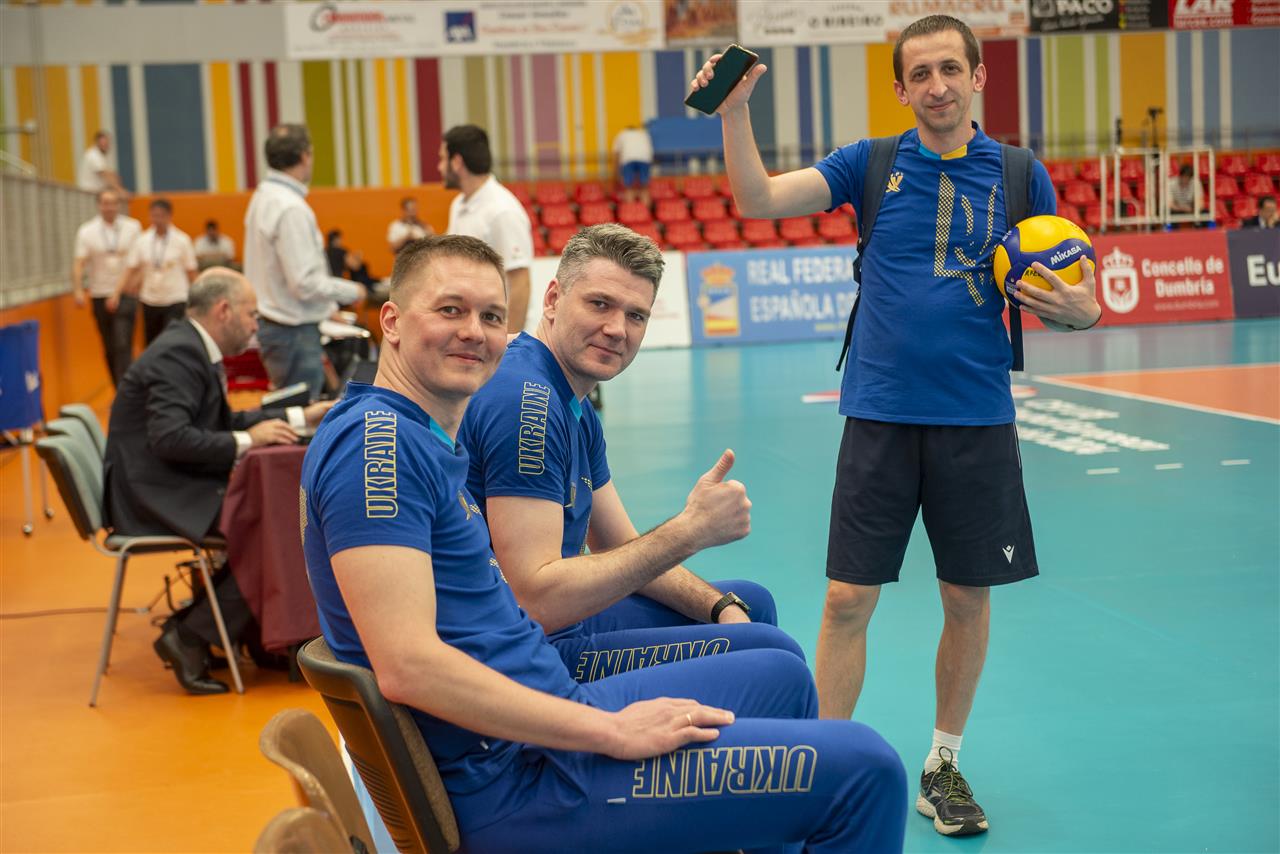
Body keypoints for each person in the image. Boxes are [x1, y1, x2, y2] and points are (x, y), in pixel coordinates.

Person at [301, 234, 907, 853]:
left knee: (781, 675)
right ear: (392, 322)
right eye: (450, 310)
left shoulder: (421, 437)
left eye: (491, 317)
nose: (475, 333)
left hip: (534, 729)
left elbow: (590, 560)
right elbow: (410, 664)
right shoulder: (379, 447)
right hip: (518, 776)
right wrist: (608, 729)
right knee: (867, 772)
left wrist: (713, 604)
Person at [690, 13, 1102, 837]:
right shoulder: (871, 163)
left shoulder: (1022, 175)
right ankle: (820, 772)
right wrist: (734, 112)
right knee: (847, 598)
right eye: (921, 74)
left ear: (978, 76)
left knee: (967, 599)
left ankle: (942, 766)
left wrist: (1081, 312)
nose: (937, 86)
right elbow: (758, 198)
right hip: (878, 416)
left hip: (976, 420)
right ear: (901, 89)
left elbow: (1079, 297)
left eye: (951, 69)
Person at [460, 224, 794, 674]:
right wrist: (690, 530)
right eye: (599, 304)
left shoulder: (573, 403)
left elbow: (617, 544)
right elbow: (533, 601)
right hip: (522, 653)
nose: (617, 329)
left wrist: (718, 607)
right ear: (553, 299)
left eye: (636, 316)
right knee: (775, 661)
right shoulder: (527, 402)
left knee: (749, 604)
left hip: (551, 623)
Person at [103, 268, 332, 694]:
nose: (255, 326)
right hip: (152, 494)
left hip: (163, 483)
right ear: (224, 310)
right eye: (251, 315)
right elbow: (171, 438)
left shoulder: (188, 346)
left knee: (272, 520)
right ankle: (190, 636)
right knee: (278, 529)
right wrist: (249, 439)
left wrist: (299, 416)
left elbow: (221, 421)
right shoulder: (179, 353)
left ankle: (240, 635)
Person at [243, 124, 366, 398]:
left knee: (294, 409)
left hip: (278, 325)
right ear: (304, 156)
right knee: (302, 412)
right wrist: (353, 290)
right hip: (292, 332)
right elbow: (304, 283)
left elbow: (282, 275)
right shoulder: (290, 207)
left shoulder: (263, 198)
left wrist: (327, 308)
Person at [440, 124, 533, 333]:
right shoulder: (458, 205)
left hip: (495, 332)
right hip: (470, 327)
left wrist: (510, 342)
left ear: (457, 162)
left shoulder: (502, 211)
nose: (439, 167)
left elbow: (520, 283)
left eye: (442, 159)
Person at [72, 189, 142, 387]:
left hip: (126, 293)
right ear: (99, 205)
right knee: (110, 346)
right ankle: (118, 388)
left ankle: (127, 390)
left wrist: (134, 284)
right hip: (99, 293)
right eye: (105, 203)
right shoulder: (87, 231)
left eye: (113, 203)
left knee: (123, 343)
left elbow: (139, 260)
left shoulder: (132, 227)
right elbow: (79, 262)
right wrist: (78, 289)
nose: (109, 207)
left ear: (118, 205)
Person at [108, 198, 197, 346]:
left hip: (175, 298)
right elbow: (130, 269)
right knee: (152, 343)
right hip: (150, 299)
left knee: (173, 341)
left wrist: (197, 299)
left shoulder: (182, 240)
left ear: (169, 216)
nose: (157, 220)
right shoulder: (142, 240)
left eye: (161, 215)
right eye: (154, 215)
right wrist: (116, 294)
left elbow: (191, 272)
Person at [612, 124, 654, 204]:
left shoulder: (622, 134)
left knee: (629, 188)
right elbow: (651, 153)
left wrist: (616, 174)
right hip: (645, 158)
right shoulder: (643, 134)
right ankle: (646, 209)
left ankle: (631, 210)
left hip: (628, 158)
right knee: (644, 188)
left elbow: (616, 155)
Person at [77, 130, 127, 197]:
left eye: (107, 143)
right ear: (97, 143)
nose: (105, 145)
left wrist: (116, 179)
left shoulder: (101, 156)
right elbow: (105, 175)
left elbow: (110, 174)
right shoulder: (94, 155)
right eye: (103, 143)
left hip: (95, 194)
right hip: (89, 195)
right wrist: (121, 191)